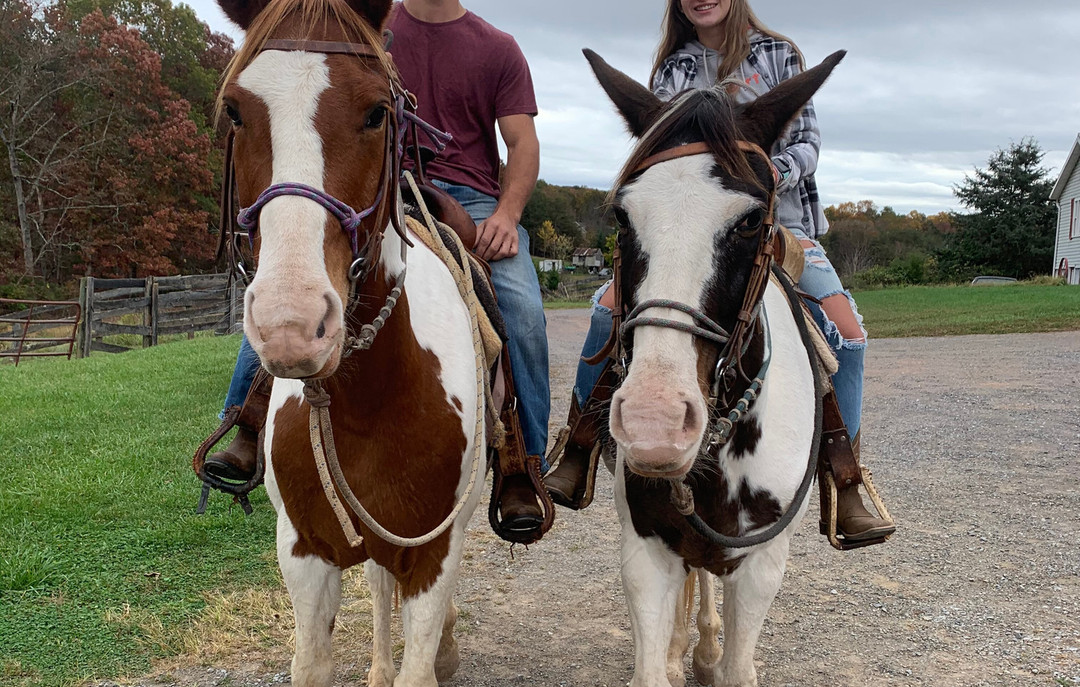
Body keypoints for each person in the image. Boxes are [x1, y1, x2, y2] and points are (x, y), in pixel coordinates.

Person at [545, 0, 894, 544]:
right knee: (604, 313)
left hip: (777, 220)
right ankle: (581, 444)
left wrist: (753, 174)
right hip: (689, 224)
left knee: (846, 333)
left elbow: (807, 145)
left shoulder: (779, 55)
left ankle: (841, 475)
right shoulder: (674, 69)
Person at [207, 0, 552, 532]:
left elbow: (521, 142)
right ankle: (248, 424)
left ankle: (519, 465)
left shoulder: (498, 48)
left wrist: (507, 214)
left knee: (523, 309)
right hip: (379, 182)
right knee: (292, 277)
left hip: (473, 198)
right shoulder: (361, 29)